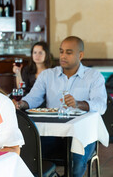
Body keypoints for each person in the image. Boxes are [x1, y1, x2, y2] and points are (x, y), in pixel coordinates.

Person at [14, 36, 107, 177]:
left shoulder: (94, 76)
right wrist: (21, 104)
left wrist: (79, 104)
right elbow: (33, 98)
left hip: (82, 135)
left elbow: (101, 106)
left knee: (76, 159)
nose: (63, 56)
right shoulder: (47, 75)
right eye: (61, 51)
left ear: (80, 55)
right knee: (27, 148)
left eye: (69, 52)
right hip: (53, 134)